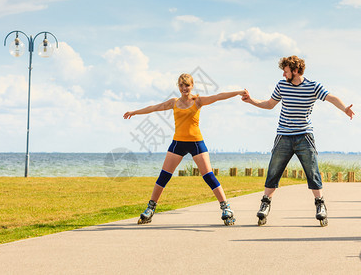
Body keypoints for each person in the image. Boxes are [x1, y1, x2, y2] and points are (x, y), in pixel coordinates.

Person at [241, 55, 355, 227]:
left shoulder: (312, 86)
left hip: (304, 136)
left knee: (312, 171)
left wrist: (345, 108)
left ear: (295, 71)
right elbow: (269, 104)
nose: (283, 75)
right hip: (283, 135)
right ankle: (265, 205)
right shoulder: (281, 86)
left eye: (286, 71)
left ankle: (320, 206)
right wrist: (251, 101)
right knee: (274, 170)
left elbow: (331, 98)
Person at [124, 73, 246, 226]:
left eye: (187, 85)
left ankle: (226, 208)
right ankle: (150, 209)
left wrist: (238, 92)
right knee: (164, 176)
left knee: (208, 175)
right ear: (178, 86)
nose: (184, 88)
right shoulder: (173, 102)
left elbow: (218, 96)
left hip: (196, 143)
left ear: (192, 86)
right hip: (178, 143)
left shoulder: (198, 101)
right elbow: (154, 107)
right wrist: (134, 112)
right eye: (181, 85)